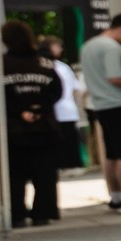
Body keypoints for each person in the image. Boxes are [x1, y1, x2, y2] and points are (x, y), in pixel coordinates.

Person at [0, 20, 64, 227]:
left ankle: (16, 214)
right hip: (44, 126)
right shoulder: (45, 63)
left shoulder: (1, 64)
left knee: (14, 175)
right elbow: (57, 91)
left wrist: (20, 112)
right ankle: (42, 213)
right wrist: (39, 110)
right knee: (44, 173)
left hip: (13, 127)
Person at [80, 13, 121, 210]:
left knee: (111, 154)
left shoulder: (89, 46)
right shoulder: (111, 47)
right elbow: (116, 77)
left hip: (100, 105)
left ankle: (116, 196)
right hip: (119, 103)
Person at [40, 36, 84, 172]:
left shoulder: (63, 66)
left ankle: (70, 164)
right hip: (55, 110)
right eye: (56, 46)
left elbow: (76, 88)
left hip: (66, 109)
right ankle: (64, 164)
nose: (60, 49)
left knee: (69, 138)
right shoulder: (49, 65)